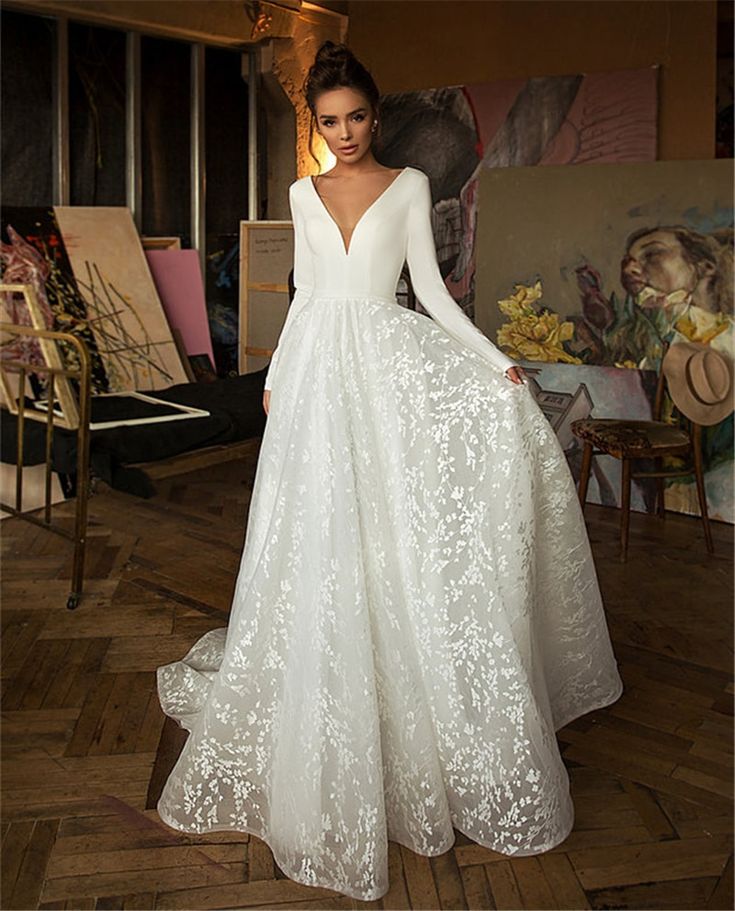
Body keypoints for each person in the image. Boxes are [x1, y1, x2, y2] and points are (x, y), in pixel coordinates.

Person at [156, 41, 624, 902]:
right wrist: (277, 381)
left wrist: (494, 366)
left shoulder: (408, 186)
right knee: (316, 538)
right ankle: (326, 693)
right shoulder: (300, 193)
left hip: (386, 371)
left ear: (376, 114)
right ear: (317, 126)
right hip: (316, 383)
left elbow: (432, 294)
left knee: (397, 535)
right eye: (328, 122)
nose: (343, 134)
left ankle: (405, 705)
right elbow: (302, 295)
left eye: (356, 117)